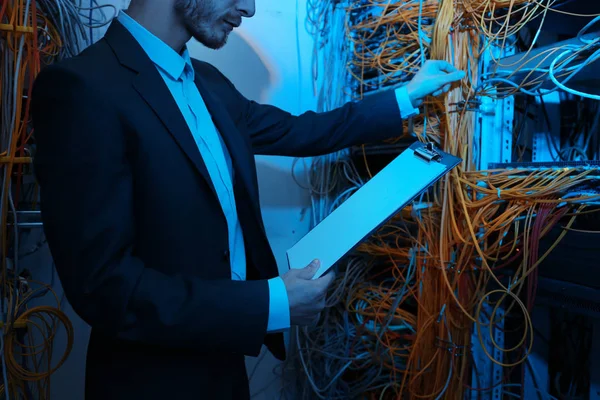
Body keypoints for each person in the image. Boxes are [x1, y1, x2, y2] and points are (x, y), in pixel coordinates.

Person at [31, 0, 465, 398]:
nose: (251, 8)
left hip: (224, 363)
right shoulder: (82, 89)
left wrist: (407, 95)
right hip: (148, 379)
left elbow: (301, 131)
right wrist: (268, 304)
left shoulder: (210, 85)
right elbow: (104, 286)